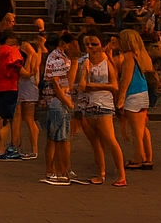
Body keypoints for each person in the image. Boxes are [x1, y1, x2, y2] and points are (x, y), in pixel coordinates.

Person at [77, 33, 127, 185]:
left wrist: (94, 86)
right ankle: (101, 173)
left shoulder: (107, 61)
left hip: (104, 105)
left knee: (111, 140)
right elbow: (81, 86)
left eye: (94, 44)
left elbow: (114, 85)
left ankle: (121, 175)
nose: (91, 47)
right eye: (88, 44)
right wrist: (85, 71)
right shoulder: (84, 61)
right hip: (87, 105)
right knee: (95, 143)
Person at [41, 32, 78, 185]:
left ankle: (61, 169)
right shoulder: (58, 59)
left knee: (60, 137)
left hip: (59, 100)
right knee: (58, 138)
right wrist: (67, 102)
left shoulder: (62, 58)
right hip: (58, 101)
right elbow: (57, 84)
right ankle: (56, 171)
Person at [116, 29, 153, 169]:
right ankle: (148, 157)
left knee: (136, 131)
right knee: (143, 128)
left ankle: (139, 157)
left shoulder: (129, 57)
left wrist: (121, 97)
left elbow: (126, 78)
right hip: (143, 93)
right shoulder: (142, 55)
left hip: (133, 93)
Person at [0, 30, 24, 160]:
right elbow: (20, 69)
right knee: (7, 119)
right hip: (10, 87)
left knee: (2, 116)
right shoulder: (11, 52)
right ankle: (2, 149)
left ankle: (0, 147)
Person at [12, 34, 42, 160]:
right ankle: (28, 147)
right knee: (27, 119)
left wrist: (29, 56)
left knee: (30, 119)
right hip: (28, 90)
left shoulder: (32, 57)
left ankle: (34, 148)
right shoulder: (36, 56)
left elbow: (28, 73)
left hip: (28, 90)